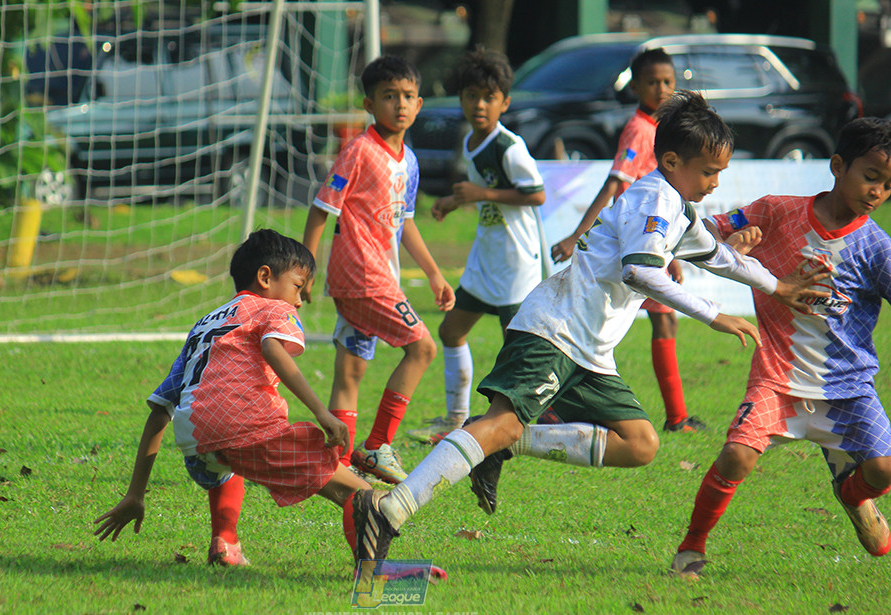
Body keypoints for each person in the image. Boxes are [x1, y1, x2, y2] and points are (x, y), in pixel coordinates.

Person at [349, 91, 829, 564]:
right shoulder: (654, 198)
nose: (714, 183)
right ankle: (389, 509)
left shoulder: (677, 206)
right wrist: (713, 313)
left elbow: (718, 254)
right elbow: (639, 271)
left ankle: (505, 439)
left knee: (640, 444)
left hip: (588, 351)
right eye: (708, 172)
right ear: (671, 160)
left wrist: (777, 288)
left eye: (719, 173)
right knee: (501, 422)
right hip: (556, 331)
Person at [672, 117, 891, 574]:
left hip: (848, 387)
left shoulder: (877, 249)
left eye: (889, 186)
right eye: (871, 177)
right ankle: (691, 548)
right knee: (735, 455)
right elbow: (704, 230)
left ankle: (851, 493)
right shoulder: (775, 210)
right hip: (778, 378)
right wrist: (729, 243)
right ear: (837, 165)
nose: (878, 192)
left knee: (885, 472)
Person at [93, 229, 370, 569]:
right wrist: (321, 413)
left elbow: (160, 410)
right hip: (246, 431)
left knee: (230, 457)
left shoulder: (204, 325)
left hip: (197, 447)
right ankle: (378, 576)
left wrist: (135, 493)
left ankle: (225, 542)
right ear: (265, 277)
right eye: (298, 286)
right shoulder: (273, 308)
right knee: (363, 496)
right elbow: (273, 348)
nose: (299, 301)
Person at [302, 55, 455, 484]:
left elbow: (404, 223)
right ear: (370, 104)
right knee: (422, 348)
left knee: (350, 371)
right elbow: (321, 210)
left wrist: (433, 273)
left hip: (378, 275)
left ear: (420, 104)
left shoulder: (410, 161)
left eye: (407, 96)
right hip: (362, 276)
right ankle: (375, 446)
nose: (399, 105)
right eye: (389, 96)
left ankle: (335, 462)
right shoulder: (358, 150)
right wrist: (305, 268)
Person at [551, 48, 704, 433]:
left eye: (668, 81)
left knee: (659, 323)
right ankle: (674, 417)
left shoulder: (667, 132)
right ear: (635, 86)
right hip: (630, 244)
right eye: (653, 82)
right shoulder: (640, 130)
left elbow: (666, 204)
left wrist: (672, 256)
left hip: (649, 243)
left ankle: (676, 416)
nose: (662, 88)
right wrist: (577, 234)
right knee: (606, 326)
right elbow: (616, 183)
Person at [404, 46, 546, 446]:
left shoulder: (509, 146)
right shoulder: (471, 141)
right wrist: (455, 200)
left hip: (516, 259)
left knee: (517, 347)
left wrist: (479, 192)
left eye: (489, 97)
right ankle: (456, 418)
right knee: (451, 330)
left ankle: (525, 425)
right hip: (486, 256)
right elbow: (482, 193)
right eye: (471, 96)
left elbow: (535, 195)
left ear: (505, 101)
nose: (479, 105)